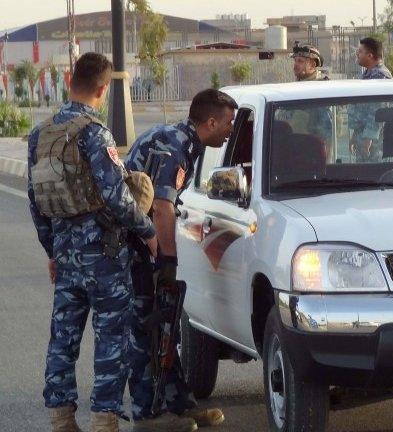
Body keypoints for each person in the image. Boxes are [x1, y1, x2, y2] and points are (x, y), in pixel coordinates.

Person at [28, 52, 157, 432]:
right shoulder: (94, 133)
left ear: (70, 79)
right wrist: (148, 232)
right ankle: (103, 421)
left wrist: (53, 250)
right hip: (104, 256)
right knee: (110, 341)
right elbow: (117, 197)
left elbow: (37, 202)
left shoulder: (40, 134)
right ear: (103, 89)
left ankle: (62, 419)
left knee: (63, 340)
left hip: (67, 258)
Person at [124, 89, 237, 431]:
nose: (230, 129)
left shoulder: (182, 140)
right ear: (211, 121)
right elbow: (161, 207)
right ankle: (146, 415)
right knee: (146, 329)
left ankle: (178, 403)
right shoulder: (175, 146)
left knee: (166, 328)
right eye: (229, 123)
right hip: (132, 247)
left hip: (142, 243)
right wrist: (168, 261)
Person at [348, 37, 393, 161]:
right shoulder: (369, 74)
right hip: (363, 134)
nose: (357, 54)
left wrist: (368, 139)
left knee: (371, 175)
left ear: (370, 55)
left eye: (360, 51)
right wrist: (355, 135)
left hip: (373, 140)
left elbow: (377, 110)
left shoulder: (380, 75)